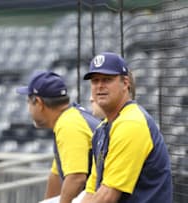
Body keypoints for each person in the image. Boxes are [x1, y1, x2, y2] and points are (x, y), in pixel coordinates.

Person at [81, 52, 172, 203]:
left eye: (107, 79)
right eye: (95, 81)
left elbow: (107, 197)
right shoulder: (102, 129)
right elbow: (91, 191)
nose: (99, 86)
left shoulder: (131, 122)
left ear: (125, 83)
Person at [16, 71, 100, 203]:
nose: (29, 108)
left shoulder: (69, 124)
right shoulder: (70, 117)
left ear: (38, 102)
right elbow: (55, 176)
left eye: (29, 102)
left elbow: (76, 178)